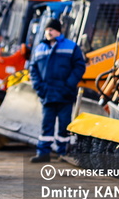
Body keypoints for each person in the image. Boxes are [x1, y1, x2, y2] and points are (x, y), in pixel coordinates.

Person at [28, 18, 86, 163]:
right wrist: (39, 88)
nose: (48, 32)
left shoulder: (71, 47)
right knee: (46, 125)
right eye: (47, 30)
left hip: (65, 94)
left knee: (64, 126)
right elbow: (33, 70)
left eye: (51, 30)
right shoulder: (39, 48)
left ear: (58, 31)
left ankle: (63, 153)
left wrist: (68, 85)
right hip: (47, 94)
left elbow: (79, 67)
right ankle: (43, 153)